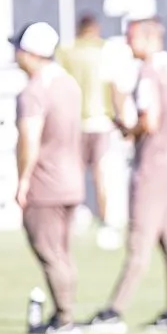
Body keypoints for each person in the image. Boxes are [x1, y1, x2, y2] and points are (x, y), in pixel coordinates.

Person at [82, 15, 167, 334]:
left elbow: (149, 122)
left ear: (151, 39)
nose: (128, 43)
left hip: (153, 167)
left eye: (133, 38)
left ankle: (114, 311)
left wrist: (129, 130)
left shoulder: (149, 73)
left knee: (139, 240)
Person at [11, 21, 85, 334]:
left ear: (31, 53)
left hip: (46, 183)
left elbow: (29, 138)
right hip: (71, 180)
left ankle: (66, 319)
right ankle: (62, 314)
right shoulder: (68, 84)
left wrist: (23, 180)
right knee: (63, 253)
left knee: (50, 253)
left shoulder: (34, 91)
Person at [56, 13, 122, 250]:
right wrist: (120, 116)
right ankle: (105, 223)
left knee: (74, 173)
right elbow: (114, 87)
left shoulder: (67, 52)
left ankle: (74, 217)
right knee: (101, 174)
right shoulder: (105, 51)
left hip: (75, 121)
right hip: (101, 122)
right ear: (95, 28)